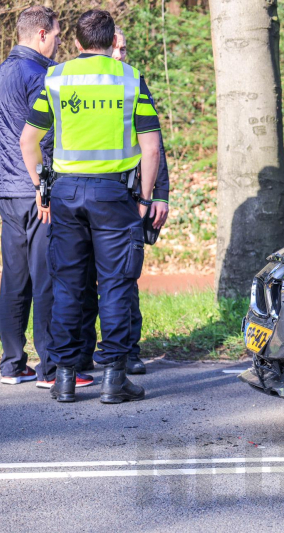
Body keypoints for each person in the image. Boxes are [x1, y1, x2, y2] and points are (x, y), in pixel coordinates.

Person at [20, 9, 162, 403]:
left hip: (65, 195)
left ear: (79, 43)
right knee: (115, 283)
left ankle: (65, 378)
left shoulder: (57, 78)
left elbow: (28, 141)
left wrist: (40, 185)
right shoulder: (130, 79)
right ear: (109, 41)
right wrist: (147, 198)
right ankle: (114, 379)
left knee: (67, 283)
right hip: (115, 196)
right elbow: (150, 147)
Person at [0, 6, 92, 388]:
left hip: (7, 190)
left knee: (14, 279)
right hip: (37, 191)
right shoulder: (41, 75)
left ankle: (12, 364)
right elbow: (45, 138)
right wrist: (46, 187)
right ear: (42, 34)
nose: (61, 42)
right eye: (59, 35)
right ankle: (50, 369)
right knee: (48, 276)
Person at [75, 25, 171, 375]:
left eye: (124, 50)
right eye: (115, 49)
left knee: (123, 280)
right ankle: (84, 353)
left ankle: (127, 352)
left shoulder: (132, 82)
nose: (120, 55)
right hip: (91, 196)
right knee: (84, 281)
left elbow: (154, 144)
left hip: (131, 196)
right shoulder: (77, 84)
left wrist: (159, 193)